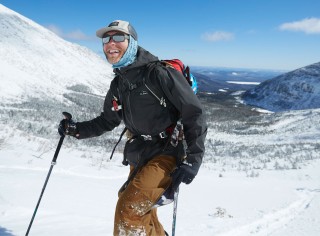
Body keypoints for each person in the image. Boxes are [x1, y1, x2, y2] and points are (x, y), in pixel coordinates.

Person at [58, 20, 207, 236]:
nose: (111, 43)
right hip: (140, 154)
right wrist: (76, 129)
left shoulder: (159, 74)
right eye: (106, 39)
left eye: (119, 37)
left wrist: (193, 159)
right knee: (141, 212)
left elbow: (194, 112)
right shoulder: (119, 84)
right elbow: (107, 120)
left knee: (129, 210)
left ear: (133, 42)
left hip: (168, 152)